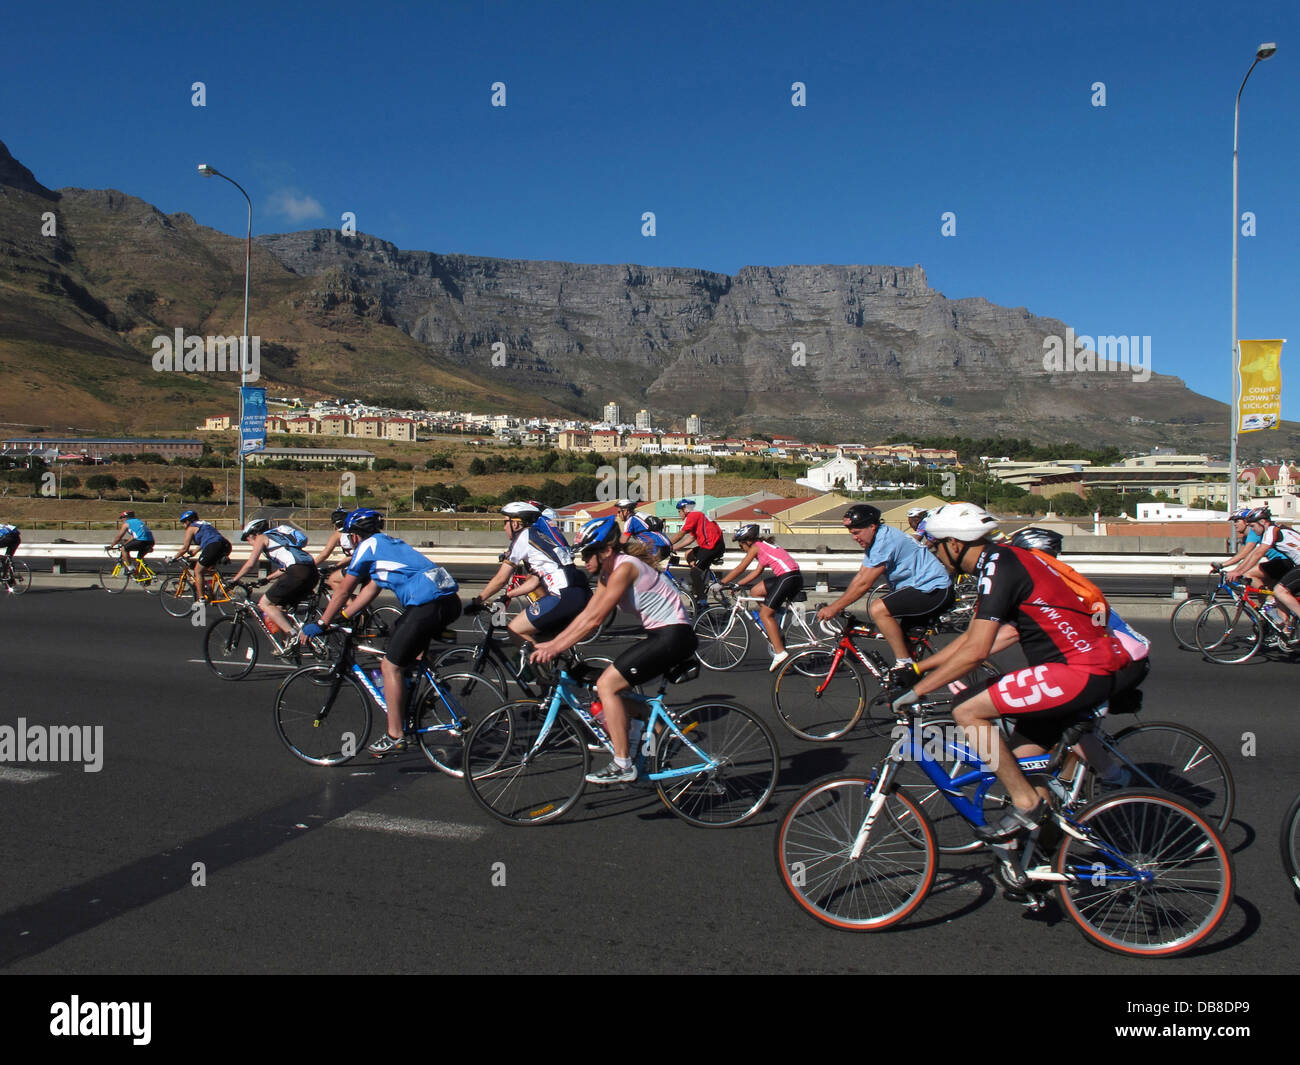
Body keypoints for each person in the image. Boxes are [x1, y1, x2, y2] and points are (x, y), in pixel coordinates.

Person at [897, 503, 1142, 844]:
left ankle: (1027, 806)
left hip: (1077, 670)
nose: (933, 554)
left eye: (934, 546)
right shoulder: (1002, 560)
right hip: (1081, 668)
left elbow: (976, 651)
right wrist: (919, 668)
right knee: (1024, 764)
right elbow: (972, 637)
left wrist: (917, 691)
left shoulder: (999, 565)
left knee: (967, 708)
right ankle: (1040, 860)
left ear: (954, 544)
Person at [533, 516, 697, 785]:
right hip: (662, 635)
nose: (584, 562)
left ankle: (622, 764)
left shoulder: (624, 569)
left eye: (588, 554)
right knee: (611, 687)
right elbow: (587, 613)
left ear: (606, 550)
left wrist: (554, 647)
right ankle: (657, 729)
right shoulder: (608, 573)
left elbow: (596, 620)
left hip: (672, 636)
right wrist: (554, 642)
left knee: (606, 685)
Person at [302, 509, 461, 757]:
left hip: (426, 604)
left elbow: (344, 591)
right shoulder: (387, 545)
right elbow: (370, 590)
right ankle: (430, 689)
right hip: (448, 601)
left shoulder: (367, 546)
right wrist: (343, 616)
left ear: (354, 537)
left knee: (389, 666)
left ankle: (395, 735)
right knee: (402, 641)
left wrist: (322, 623)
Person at [814, 503, 953, 683]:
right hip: (924, 589)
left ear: (872, 526)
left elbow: (865, 583)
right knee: (906, 645)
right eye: (852, 534)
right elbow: (861, 575)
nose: (854, 538)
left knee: (878, 609)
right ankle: (911, 694)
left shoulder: (884, 542)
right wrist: (838, 603)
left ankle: (904, 663)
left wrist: (835, 607)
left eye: (857, 533)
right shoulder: (878, 538)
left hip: (933, 590)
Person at [469, 501, 591, 654]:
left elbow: (501, 579)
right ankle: (566, 671)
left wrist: (477, 601)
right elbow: (534, 580)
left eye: (506, 522)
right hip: (578, 591)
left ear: (516, 524)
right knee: (541, 638)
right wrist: (508, 595)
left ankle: (547, 675)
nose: (504, 526)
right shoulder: (539, 536)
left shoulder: (523, 538)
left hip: (562, 595)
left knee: (515, 629)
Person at [718, 523, 803, 671]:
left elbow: (741, 567)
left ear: (748, 541)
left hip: (787, 578)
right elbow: (757, 572)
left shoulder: (756, 547)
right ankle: (774, 624)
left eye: (741, 545)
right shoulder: (763, 545)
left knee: (765, 615)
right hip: (792, 577)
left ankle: (780, 652)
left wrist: (721, 583)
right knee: (756, 591)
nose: (742, 549)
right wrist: (738, 584)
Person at [228, 518, 319, 652]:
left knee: (264, 604)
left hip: (297, 573)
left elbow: (250, 564)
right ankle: (288, 645)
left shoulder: (261, 537)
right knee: (278, 607)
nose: (249, 542)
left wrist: (234, 580)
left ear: (253, 533)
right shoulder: (281, 539)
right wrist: (266, 579)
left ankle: (294, 635)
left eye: (247, 539)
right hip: (311, 573)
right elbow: (284, 568)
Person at [1229, 507, 1300, 641]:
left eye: (1253, 526)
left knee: (1280, 591)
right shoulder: (1274, 529)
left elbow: (1258, 553)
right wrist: (1239, 571)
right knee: (1279, 592)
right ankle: (1286, 631)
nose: (1253, 530)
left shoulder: (1271, 531)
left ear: (1263, 522)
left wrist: (1238, 571)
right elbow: (1251, 556)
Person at [667, 498, 725, 606]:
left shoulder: (693, 515)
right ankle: (699, 584)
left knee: (694, 572)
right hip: (709, 545)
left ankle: (701, 599)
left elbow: (681, 534)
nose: (679, 514)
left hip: (712, 546)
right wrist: (674, 548)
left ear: (685, 509)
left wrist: (666, 544)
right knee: (688, 554)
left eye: (679, 511)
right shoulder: (698, 516)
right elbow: (691, 539)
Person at [169, 510, 232, 599]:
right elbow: (208, 540)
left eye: (183, 523)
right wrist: (195, 552)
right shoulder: (205, 524)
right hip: (225, 545)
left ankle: (201, 599)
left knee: (197, 571)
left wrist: (173, 558)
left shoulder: (191, 528)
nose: (183, 526)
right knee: (208, 568)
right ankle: (210, 589)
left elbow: (184, 548)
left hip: (213, 546)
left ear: (188, 521)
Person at [108, 511, 155, 578]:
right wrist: (126, 543)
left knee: (124, 549)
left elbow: (119, 537)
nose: (122, 520)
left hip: (141, 541)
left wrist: (111, 546)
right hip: (150, 541)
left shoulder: (127, 524)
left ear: (126, 517)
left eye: (122, 518)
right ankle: (143, 576)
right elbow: (133, 536)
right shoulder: (139, 521)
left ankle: (131, 569)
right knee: (139, 559)